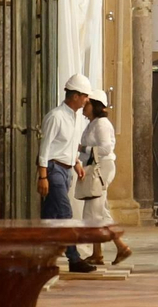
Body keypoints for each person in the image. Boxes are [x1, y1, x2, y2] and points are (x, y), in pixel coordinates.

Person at [39, 73, 93, 272]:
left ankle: (41, 256)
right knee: (65, 212)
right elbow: (45, 147)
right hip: (53, 170)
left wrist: (76, 162)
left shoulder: (73, 117)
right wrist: (43, 175)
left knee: (50, 217)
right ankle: (74, 258)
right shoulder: (56, 117)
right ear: (76, 96)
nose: (87, 100)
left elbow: (68, 145)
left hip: (66, 170)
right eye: (85, 96)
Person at [77, 89, 132, 267]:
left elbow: (106, 149)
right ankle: (98, 253)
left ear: (95, 106)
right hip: (96, 168)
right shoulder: (94, 123)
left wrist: (82, 149)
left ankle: (120, 247)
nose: (84, 106)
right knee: (99, 211)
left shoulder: (101, 124)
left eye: (87, 103)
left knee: (94, 212)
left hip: (102, 169)